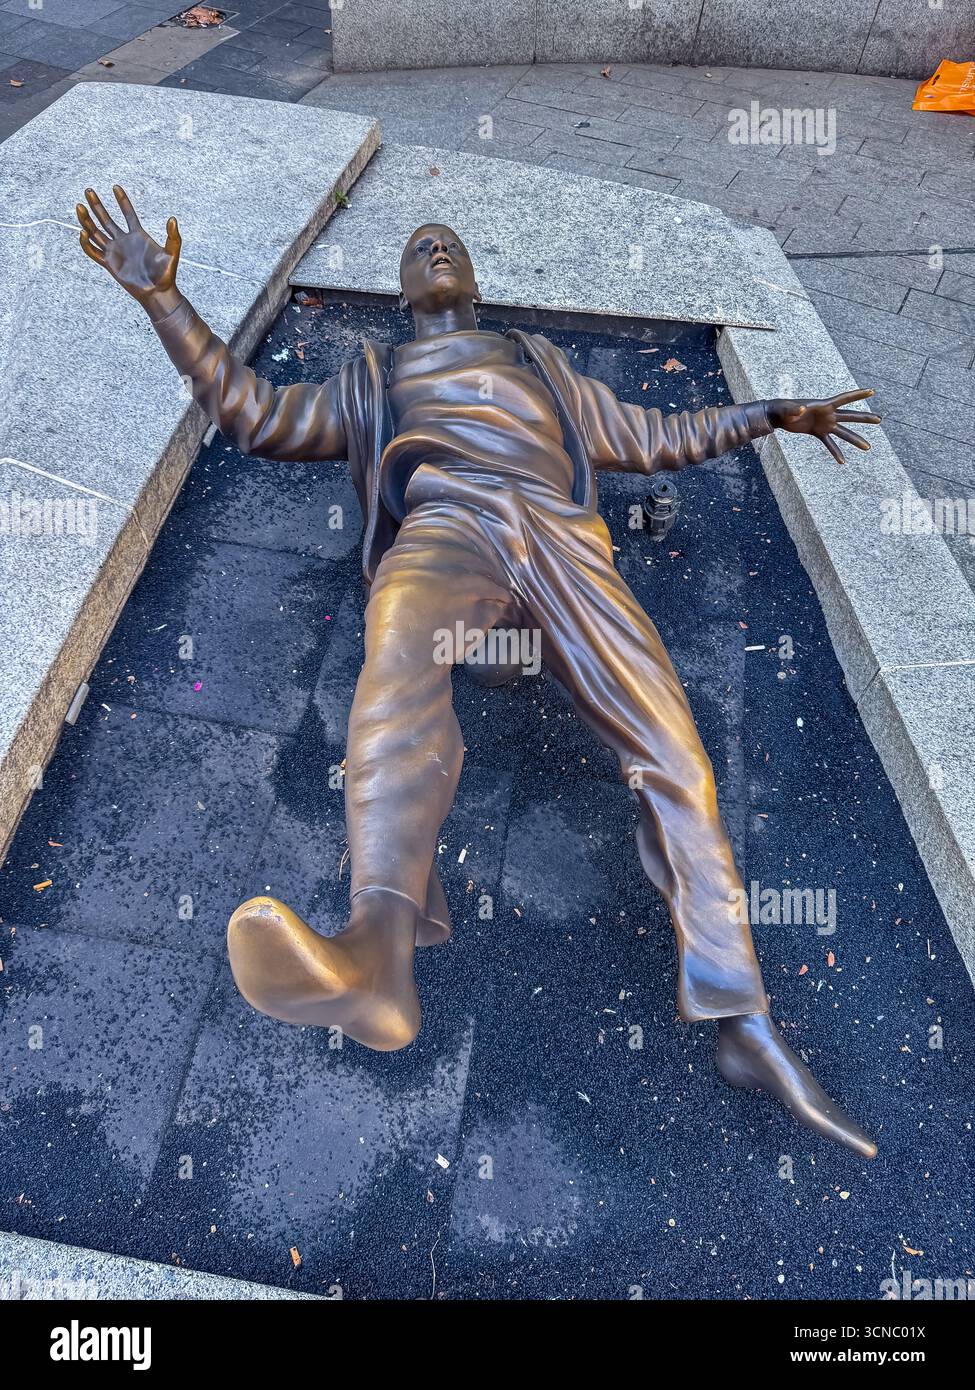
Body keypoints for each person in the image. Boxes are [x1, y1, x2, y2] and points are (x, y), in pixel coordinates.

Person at [78, 186, 881, 1157]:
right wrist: (163, 299)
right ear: (402, 289)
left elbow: (660, 437)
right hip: (445, 531)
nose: (434, 246)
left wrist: (770, 413)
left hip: (564, 543)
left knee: (677, 749)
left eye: (448, 240)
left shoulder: (546, 369)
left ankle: (741, 1018)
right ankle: (376, 952)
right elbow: (255, 417)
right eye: (420, 246)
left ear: (474, 278)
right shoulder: (374, 375)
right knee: (396, 659)